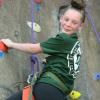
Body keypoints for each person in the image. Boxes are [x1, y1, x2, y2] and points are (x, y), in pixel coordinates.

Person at [1, 1, 86, 100]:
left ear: (80, 25)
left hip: (48, 88)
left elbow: (33, 49)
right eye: (66, 19)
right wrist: (50, 60)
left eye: (74, 22)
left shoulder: (63, 39)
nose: (68, 24)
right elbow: (66, 62)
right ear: (61, 18)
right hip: (55, 91)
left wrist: (11, 44)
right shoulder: (75, 44)